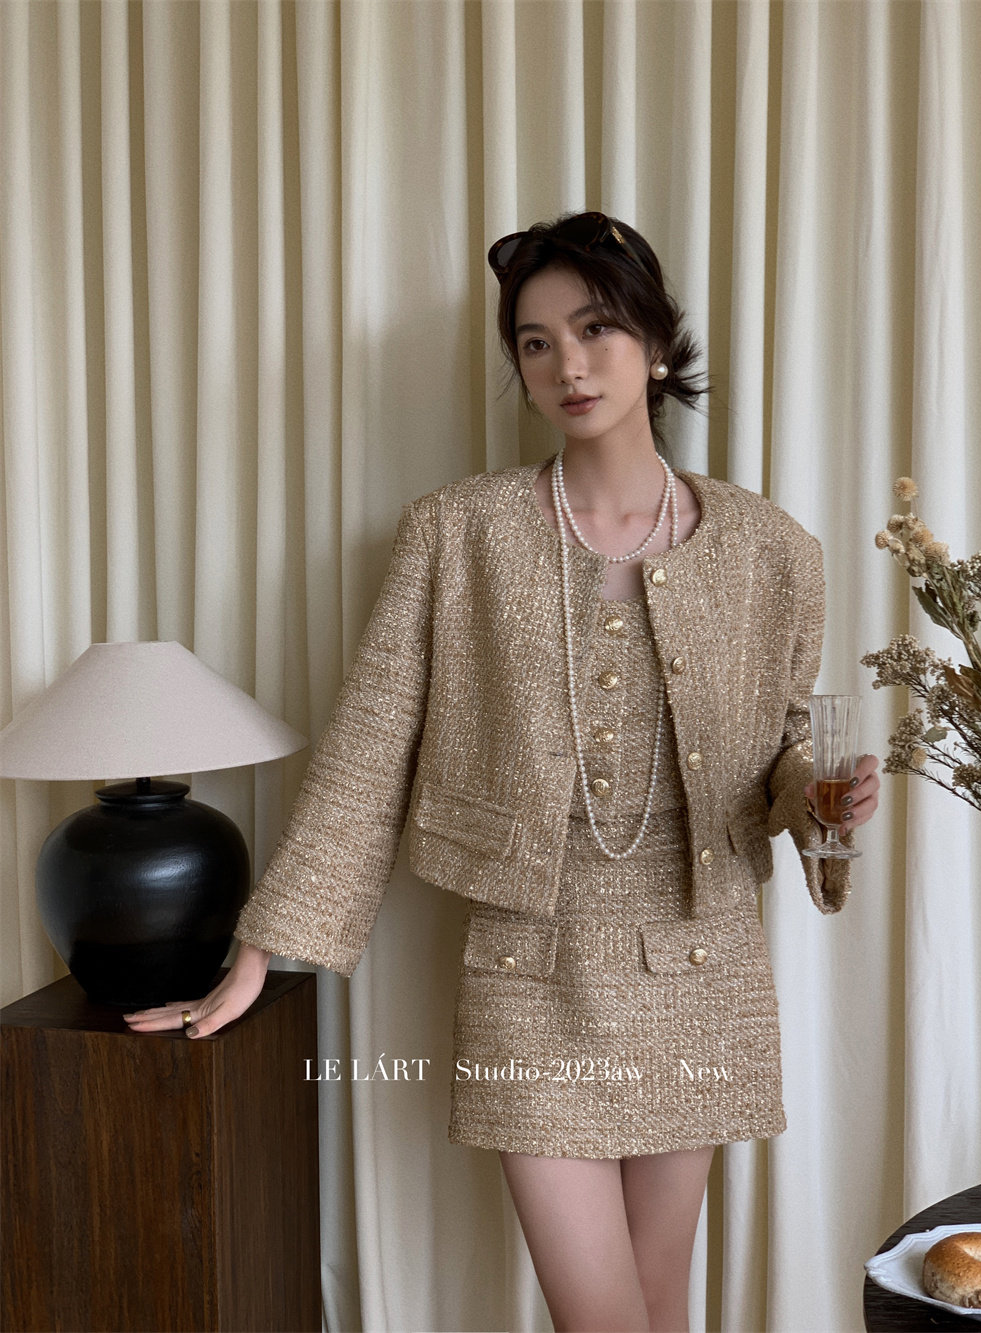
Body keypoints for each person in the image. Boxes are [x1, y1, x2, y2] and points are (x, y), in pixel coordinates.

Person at [125, 212, 881, 1333]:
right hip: (529, 969)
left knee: (661, 1311)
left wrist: (823, 800)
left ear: (656, 344)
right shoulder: (457, 534)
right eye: (535, 341)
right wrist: (256, 956)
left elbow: (779, 750)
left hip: (701, 962)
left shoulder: (772, 549)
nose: (568, 363)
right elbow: (368, 748)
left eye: (595, 328)